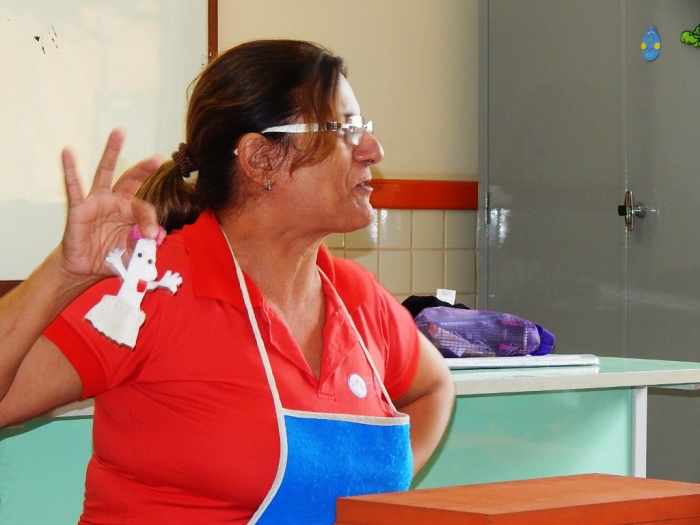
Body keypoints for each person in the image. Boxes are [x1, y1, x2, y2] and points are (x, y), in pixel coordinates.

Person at [0, 39, 455, 525]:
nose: (373, 150)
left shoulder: (356, 297)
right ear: (260, 158)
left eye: (362, 128)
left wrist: (366, 503)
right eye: (343, 130)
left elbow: (432, 387)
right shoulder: (155, 288)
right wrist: (63, 275)